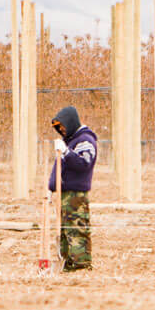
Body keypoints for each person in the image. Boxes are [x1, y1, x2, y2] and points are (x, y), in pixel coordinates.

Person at [47, 106, 98, 271]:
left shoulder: (85, 140)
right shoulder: (69, 141)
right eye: (58, 128)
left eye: (62, 127)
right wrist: (51, 187)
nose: (61, 131)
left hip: (76, 195)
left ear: (70, 122)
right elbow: (59, 167)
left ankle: (81, 264)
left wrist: (67, 152)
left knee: (76, 228)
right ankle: (68, 263)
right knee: (65, 229)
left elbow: (83, 164)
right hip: (64, 194)